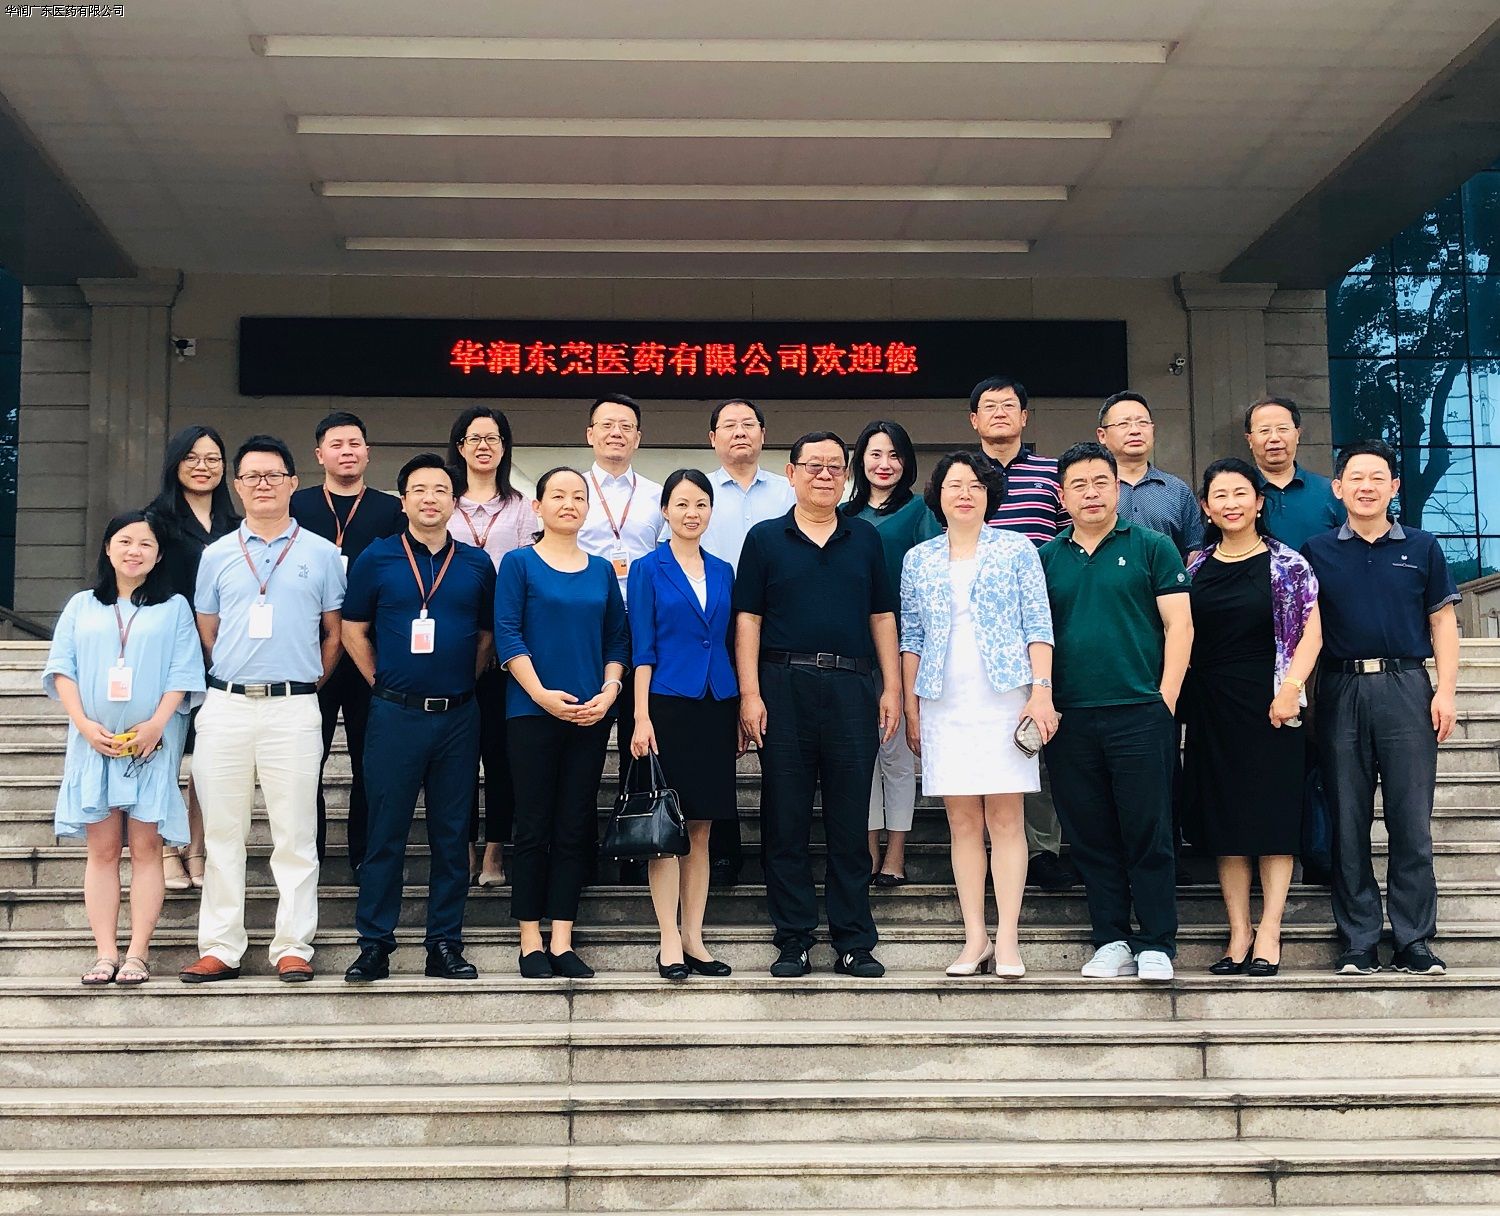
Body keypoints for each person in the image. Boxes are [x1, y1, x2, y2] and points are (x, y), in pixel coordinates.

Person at [735, 431, 901, 979]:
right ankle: (793, 939)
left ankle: (854, 940)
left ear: (846, 475)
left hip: (852, 687)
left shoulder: (864, 538)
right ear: (791, 473)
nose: (825, 474)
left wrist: (891, 688)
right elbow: (748, 620)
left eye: (835, 466)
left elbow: (882, 616)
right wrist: (750, 693)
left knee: (850, 821)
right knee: (784, 819)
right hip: (783, 686)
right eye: (814, 466)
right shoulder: (765, 539)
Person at [180, 435, 346, 984]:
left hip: (293, 708)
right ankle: (220, 947)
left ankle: (293, 945)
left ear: (294, 482)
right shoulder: (217, 554)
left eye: (274, 475)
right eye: (251, 476)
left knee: (295, 833)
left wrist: (306, 681)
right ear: (237, 485)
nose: (263, 484)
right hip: (227, 706)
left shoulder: (322, 554)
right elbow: (208, 630)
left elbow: (334, 633)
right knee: (223, 834)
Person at [1302, 439, 1460, 977]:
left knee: (1410, 820)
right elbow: (1307, 630)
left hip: (1406, 686)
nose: (1366, 487)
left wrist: (1445, 691)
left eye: (1377, 478)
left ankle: (1414, 939)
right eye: (1355, 477)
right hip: (1340, 688)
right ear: (1338, 488)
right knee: (1347, 820)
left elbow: (1442, 623)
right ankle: (1359, 939)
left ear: (1394, 486)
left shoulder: (1422, 546)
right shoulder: (1317, 551)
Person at [1040, 442, 1192, 982]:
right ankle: (1111, 939)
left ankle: (1157, 942)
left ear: (1117, 489)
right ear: (1062, 496)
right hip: (1071, 717)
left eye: (1100, 482)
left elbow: (1180, 626)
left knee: (1148, 831)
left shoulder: (1152, 546)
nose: (1091, 493)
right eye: (1078, 485)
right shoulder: (1046, 558)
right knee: (1090, 834)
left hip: (1140, 712)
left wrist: (1165, 700)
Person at [340, 454, 496, 983]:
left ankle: (444, 945)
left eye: (441, 491)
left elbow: (485, 637)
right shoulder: (377, 557)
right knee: (385, 833)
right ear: (403, 500)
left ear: (454, 502)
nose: (430, 499)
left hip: (458, 717)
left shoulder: (477, 564)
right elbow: (353, 630)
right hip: (395, 716)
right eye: (420, 490)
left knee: (452, 837)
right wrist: (382, 684)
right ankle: (374, 945)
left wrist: (460, 685)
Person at [900, 453, 1056, 978]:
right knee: (962, 821)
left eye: (974, 485)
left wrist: (1041, 691)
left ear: (990, 494)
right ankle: (975, 938)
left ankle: (1008, 938)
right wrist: (911, 703)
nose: (964, 493)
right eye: (953, 485)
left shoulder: (1017, 549)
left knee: (1006, 818)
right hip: (943, 699)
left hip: (1006, 697)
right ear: (938, 496)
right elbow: (911, 636)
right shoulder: (918, 558)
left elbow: (1038, 623)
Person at [44, 511, 206, 986]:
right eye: (125, 541)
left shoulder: (173, 607)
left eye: (146, 544)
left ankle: (137, 953)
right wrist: (84, 725)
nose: (135, 551)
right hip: (93, 741)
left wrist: (156, 724)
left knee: (148, 847)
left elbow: (183, 671)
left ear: (158, 555)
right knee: (102, 849)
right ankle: (104, 953)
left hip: (150, 745)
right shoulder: (81, 605)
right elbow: (62, 669)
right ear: (108, 548)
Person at [1182, 458, 1322, 977]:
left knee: (1272, 819)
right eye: (1220, 495)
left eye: (1241, 493)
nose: (1231, 503)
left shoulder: (1288, 564)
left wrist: (1291, 690)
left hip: (1272, 705)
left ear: (1259, 502)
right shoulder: (1193, 567)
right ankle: (1238, 930)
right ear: (1206, 507)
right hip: (1212, 706)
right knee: (1227, 822)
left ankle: (1270, 930)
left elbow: (1311, 633)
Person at [494, 467, 630, 979]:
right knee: (533, 824)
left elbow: (617, 639)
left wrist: (610, 691)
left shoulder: (601, 571)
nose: (569, 503)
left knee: (575, 823)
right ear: (538, 506)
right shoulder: (519, 564)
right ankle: (530, 938)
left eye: (578, 496)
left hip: (591, 715)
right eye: (558, 495)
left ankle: (563, 938)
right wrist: (541, 695)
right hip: (532, 712)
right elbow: (508, 633)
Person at [627, 470, 739, 979]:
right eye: (682, 504)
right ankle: (668, 938)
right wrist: (640, 716)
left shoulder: (723, 570)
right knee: (665, 828)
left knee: (702, 827)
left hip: (716, 703)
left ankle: (694, 936)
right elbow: (642, 648)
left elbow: (727, 640)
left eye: (701, 504)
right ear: (665, 511)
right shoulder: (647, 569)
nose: (692, 513)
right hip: (667, 704)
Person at [967, 375, 1075, 893]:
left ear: (1025, 416)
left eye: (1009, 405)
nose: (999, 413)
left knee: (1036, 738)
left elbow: (1071, 536)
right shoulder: (964, 476)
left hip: (1040, 623)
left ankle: (1042, 848)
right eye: (989, 407)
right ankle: (983, 849)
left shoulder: (1052, 474)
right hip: (977, 635)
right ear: (974, 420)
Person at [289, 410, 404, 873]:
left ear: (368, 453)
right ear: (320, 455)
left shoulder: (389, 510)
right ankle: (308, 856)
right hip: (309, 649)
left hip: (368, 648)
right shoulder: (297, 506)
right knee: (305, 761)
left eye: (355, 444)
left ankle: (364, 858)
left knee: (368, 761)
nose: (347, 452)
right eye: (336, 445)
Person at [698, 397, 795, 889]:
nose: (740, 432)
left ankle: (781, 852)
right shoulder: (697, 492)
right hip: (710, 628)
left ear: (763, 434)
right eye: (729, 425)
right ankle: (723, 852)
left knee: (780, 743)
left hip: (777, 626)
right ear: (712, 438)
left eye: (748, 424)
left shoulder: (787, 491)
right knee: (716, 744)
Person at [843, 420, 940, 886]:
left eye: (895, 455)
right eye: (876, 454)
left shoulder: (921, 511)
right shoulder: (843, 514)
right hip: (851, 651)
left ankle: (895, 853)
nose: (885, 464)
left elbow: (932, 582)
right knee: (861, 758)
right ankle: (866, 850)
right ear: (860, 460)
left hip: (904, 650)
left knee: (897, 756)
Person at [577, 393, 664, 884]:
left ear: (638, 437)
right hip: (588, 631)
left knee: (642, 740)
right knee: (586, 743)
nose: (616, 433)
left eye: (626, 426)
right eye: (607, 425)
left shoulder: (656, 495)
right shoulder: (572, 490)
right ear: (590, 434)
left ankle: (638, 846)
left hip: (644, 629)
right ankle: (581, 849)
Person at [446, 405, 533, 888]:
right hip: (452, 641)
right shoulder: (444, 500)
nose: (484, 446)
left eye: (493, 438)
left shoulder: (521, 507)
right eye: (474, 438)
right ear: (459, 446)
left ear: (504, 447)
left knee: (500, 755)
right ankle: (464, 846)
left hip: (505, 647)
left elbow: (523, 573)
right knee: (457, 756)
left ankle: (496, 849)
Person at [149, 425, 239, 892]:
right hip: (170, 655)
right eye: (192, 457)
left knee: (209, 760)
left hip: (223, 653)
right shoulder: (156, 521)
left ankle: (197, 847)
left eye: (212, 458)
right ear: (175, 463)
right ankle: (167, 848)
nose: (202, 467)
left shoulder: (236, 524)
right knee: (166, 756)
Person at [1096, 391, 1205, 561]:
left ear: (1152, 430)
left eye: (1143, 423)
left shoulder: (1177, 490)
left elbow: (1195, 553)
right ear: (1102, 435)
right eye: (1124, 424)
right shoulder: (1091, 490)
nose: (1135, 431)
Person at [1244, 396, 1344, 551]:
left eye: (1283, 429)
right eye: (1264, 431)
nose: (1274, 438)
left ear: (1297, 434)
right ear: (1250, 439)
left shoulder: (1330, 491)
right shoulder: (1239, 494)